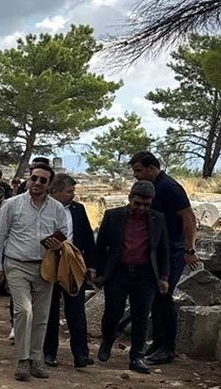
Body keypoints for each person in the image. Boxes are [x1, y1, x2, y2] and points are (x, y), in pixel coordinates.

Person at [0, 163, 72, 381]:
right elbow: (0, 236)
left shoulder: (56, 208)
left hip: (45, 266)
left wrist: (58, 245)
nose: (36, 183)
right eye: (34, 178)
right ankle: (23, 360)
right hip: (17, 264)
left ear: (49, 184)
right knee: (24, 311)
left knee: (42, 316)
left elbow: (64, 234)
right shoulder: (12, 204)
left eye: (42, 180)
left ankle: (37, 359)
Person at [129, 151, 200, 365]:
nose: (136, 175)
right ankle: (158, 342)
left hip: (172, 251)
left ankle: (168, 347)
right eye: (134, 171)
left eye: (139, 170)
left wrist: (189, 250)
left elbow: (189, 218)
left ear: (152, 168)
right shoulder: (149, 189)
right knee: (154, 298)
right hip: (154, 251)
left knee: (164, 296)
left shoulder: (169, 188)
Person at [92, 181, 170, 374]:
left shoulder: (157, 219)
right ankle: (107, 339)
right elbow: (101, 246)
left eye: (146, 204)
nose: (141, 208)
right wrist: (98, 271)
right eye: (138, 203)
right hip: (118, 272)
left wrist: (163, 276)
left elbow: (163, 249)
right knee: (113, 312)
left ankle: (137, 356)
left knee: (141, 317)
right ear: (130, 199)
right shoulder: (113, 216)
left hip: (145, 274)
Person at [43, 173, 96, 368]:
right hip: (49, 264)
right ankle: (49, 353)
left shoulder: (78, 210)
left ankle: (81, 354)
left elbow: (88, 238)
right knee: (50, 311)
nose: (72, 195)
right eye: (69, 191)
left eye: (73, 191)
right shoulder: (45, 209)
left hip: (73, 264)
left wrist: (91, 265)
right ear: (55, 192)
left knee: (76, 310)